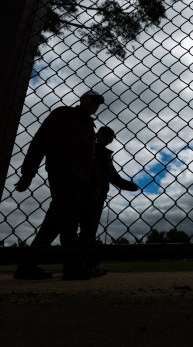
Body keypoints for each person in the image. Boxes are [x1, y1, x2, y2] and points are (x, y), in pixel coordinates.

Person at [13, 90, 105, 280]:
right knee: (69, 218)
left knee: (55, 222)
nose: (94, 105)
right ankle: (73, 267)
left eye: (97, 103)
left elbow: (92, 159)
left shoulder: (89, 126)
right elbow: (40, 141)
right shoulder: (63, 114)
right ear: (82, 99)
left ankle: (27, 265)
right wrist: (28, 173)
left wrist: (94, 184)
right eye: (92, 100)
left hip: (80, 181)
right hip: (63, 173)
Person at [79, 126, 139, 275]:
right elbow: (114, 178)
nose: (108, 139)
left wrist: (131, 186)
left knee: (87, 230)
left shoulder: (104, 155)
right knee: (86, 230)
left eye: (110, 137)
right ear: (97, 134)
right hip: (86, 193)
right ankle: (85, 264)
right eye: (105, 135)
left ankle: (84, 264)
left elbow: (114, 178)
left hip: (95, 195)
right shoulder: (87, 148)